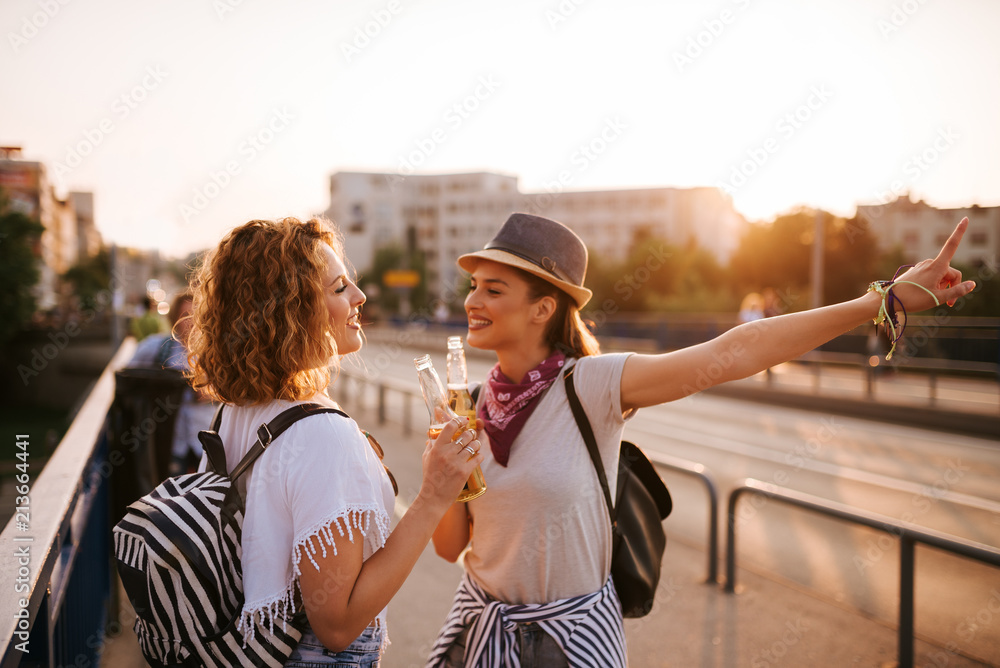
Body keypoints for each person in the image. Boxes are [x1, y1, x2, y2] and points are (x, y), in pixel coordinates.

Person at [426, 212, 975, 667]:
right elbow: (450, 547)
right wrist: (443, 478)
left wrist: (880, 300)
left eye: (493, 289)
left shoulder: (590, 385)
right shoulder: (468, 408)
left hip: (568, 648)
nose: (473, 300)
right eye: (474, 286)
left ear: (543, 307)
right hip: (477, 637)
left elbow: (733, 352)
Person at [186, 217, 484, 665]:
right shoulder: (321, 433)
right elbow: (337, 624)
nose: (360, 298)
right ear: (292, 309)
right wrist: (435, 495)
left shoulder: (237, 410)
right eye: (340, 287)